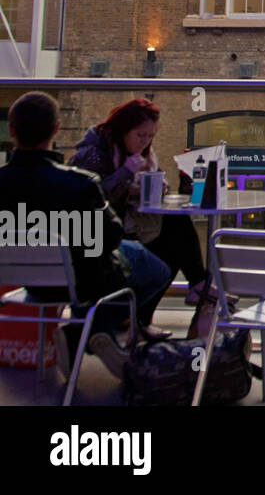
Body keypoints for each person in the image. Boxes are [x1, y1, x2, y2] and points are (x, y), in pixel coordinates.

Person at [0, 91, 171, 380]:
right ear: (56, 129)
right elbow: (110, 238)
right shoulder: (79, 183)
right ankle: (84, 331)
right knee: (157, 269)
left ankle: (89, 335)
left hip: (25, 283)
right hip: (80, 283)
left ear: (11, 130)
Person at [69, 98, 220, 339]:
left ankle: (184, 292)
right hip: (101, 237)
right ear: (122, 130)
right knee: (169, 243)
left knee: (174, 229)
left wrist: (157, 186)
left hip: (128, 227)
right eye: (140, 135)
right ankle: (195, 286)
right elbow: (92, 197)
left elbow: (150, 186)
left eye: (150, 136)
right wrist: (126, 174)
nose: (145, 142)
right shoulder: (93, 155)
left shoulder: (142, 155)